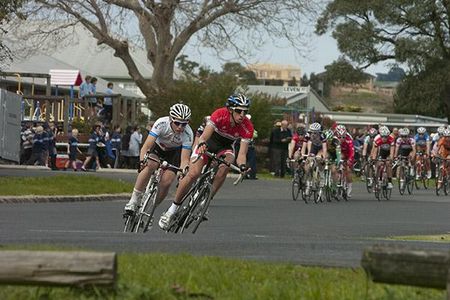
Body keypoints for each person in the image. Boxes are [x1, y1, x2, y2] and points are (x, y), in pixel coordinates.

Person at [158, 94, 253, 230]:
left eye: (245, 112)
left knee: (226, 165)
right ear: (231, 110)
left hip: (225, 147)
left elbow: (241, 154)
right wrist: (201, 144)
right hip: (208, 142)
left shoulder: (247, 126)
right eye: (239, 111)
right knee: (193, 173)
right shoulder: (220, 114)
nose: (242, 115)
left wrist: (243, 166)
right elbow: (203, 137)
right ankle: (172, 210)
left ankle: (205, 202)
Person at [124, 103, 193, 214]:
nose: (180, 127)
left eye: (184, 124)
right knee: (150, 165)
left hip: (174, 153)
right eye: (177, 123)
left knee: (167, 182)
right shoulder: (161, 123)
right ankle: (133, 200)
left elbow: (184, 159)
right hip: (158, 147)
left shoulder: (188, 133)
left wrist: (183, 172)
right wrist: (142, 160)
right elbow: (146, 147)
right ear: (171, 119)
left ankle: (152, 209)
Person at [335, 125, 355, 197]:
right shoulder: (334, 139)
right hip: (339, 153)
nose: (341, 139)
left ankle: (349, 187)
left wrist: (350, 159)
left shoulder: (349, 139)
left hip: (348, 154)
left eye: (343, 137)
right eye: (339, 137)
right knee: (335, 168)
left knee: (348, 170)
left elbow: (352, 151)